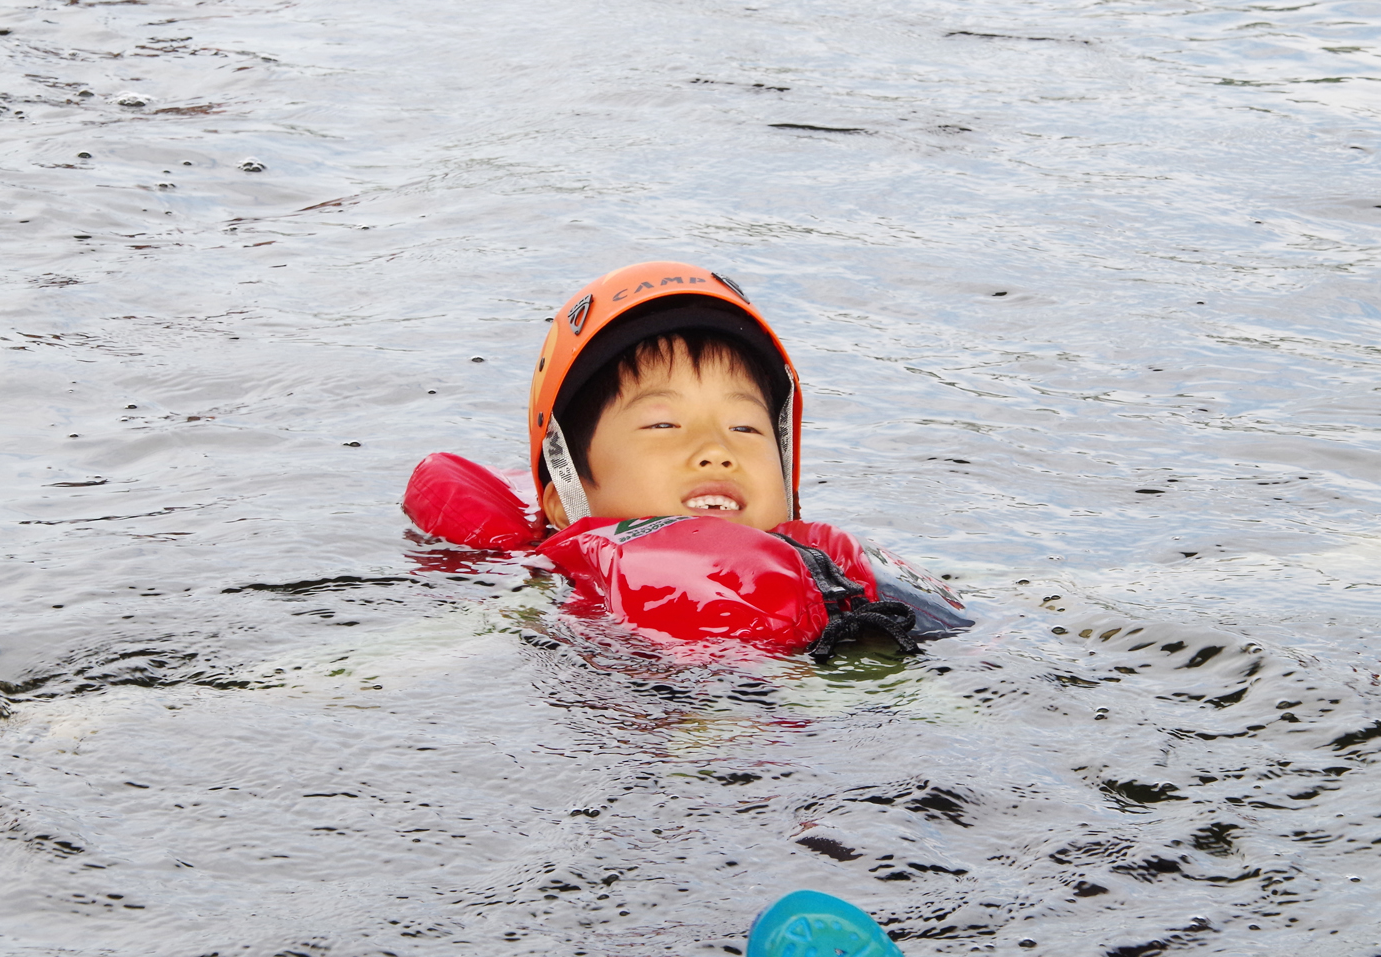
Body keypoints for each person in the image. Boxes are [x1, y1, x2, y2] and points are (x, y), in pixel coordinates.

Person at [404, 260, 970, 660]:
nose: (716, 451)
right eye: (663, 424)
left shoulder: (848, 573)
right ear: (566, 499)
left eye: (745, 426)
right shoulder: (542, 602)